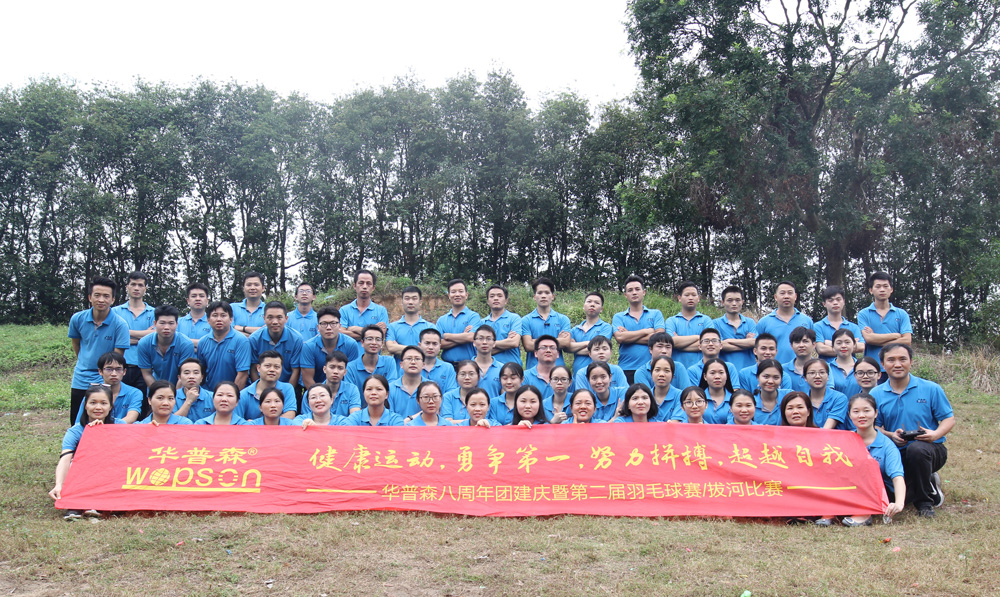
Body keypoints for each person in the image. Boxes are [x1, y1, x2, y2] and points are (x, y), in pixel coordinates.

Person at [871, 343, 954, 517]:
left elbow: (948, 419)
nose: (897, 364)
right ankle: (928, 481)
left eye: (903, 359)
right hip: (896, 452)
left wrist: (935, 434)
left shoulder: (931, 388)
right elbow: (874, 425)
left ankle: (924, 503)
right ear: (882, 364)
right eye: (891, 360)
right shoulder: (876, 393)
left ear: (911, 362)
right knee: (895, 496)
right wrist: (890, 435)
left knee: (917, 450)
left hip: (930, 449)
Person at [68, 276, 129, 424]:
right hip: (80, 377)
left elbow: (117, 358)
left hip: (104, 378)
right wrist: (84, 362)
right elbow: (76, 344)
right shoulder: (77, 319)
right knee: (77, 419)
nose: (101, 300)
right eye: (97, 295)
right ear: (90, 297)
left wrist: (105, 374)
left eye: (106, 296)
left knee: (102, 420)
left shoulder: (120, 325)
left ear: (113, 300)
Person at [50, 385, 118, 519]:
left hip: (111, 476)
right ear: (85, 405)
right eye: (93, 403)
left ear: (110, 407)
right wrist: (59, 484)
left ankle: (98, 504)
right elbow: (65, 458)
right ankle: (75, 505)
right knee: (73, 464)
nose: (98, 407)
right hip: (84, 475)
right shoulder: (75, 431)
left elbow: (140, 440)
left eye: (103, 403)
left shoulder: (120, 426)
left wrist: (152, 427)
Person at [842, 393, 906, 526]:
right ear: (849, 415)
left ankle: (863, 515)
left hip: (880, 491)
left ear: (876, 413)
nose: (861, 415)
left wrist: (899, 503)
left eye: (866, 411)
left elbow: (897, 476)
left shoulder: (887, 445)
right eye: (856, 411)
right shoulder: (844, 441)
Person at [613, 276, 665, 383]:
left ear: (644, 292)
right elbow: (619, 338)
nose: (634, 293)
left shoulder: (656, 314)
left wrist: (628, 335)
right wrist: (647, 331)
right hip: (626, 367)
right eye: (630, 290)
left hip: (652, 366)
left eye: (637, 289)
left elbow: (659, 339)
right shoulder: (619, 317)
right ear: (625, 295)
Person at [112, 271, 156, 395]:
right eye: (133, 284)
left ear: (145, 288)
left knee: (143, 405)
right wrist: (144, 335)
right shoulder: (115, 312)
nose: (136, 288)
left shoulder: (154, 313)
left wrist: (123, 335)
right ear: (127, 287)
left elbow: (155, 337)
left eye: (140, 285)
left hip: (145, 367)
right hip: (120, 366)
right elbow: (113, 336)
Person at [859, 272, 913, 369]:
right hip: (872, 367)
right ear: (871, 290)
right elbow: (868, 339)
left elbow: (907, 340)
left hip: (896, 366)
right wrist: (895, 335)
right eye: (878, 286)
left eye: (885, 286)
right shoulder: (864, 314)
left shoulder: (901, 314)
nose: (882, 290)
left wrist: (876, 338)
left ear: (891, 289)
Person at [754, 280, 814, 363]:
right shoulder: (764, 322)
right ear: (775, 297)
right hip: (773, 370)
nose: (786, 296)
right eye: (782, 293)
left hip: (801, 370)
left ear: (795, 296)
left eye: (790, 293)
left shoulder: (807, 321)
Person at [300, 306, 361, 387]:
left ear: (339, 326)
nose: (328, 328)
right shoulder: (309, 347)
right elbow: (307, 379)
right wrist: (321, 396)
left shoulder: (351, 344)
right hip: (316, 392)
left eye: (333, 323)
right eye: (324, 324)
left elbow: (351, 376)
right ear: (318, 327)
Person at [137, 305, 195, 388]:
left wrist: (173, 396)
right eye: (162, 323)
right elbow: (147, 374)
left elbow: (184, 376)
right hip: (155, 389)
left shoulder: (186, 344)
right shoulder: (144, 343)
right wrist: (158, 392)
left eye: (171, 323)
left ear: (176, 324)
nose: (166, 327)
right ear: (155, 324)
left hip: (179, 390)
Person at [75, 352, 142, 424]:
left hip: (123, 431)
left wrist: (108, 428)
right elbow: (79, 421)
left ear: (124, 371)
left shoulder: (134, 393)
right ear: (100, 371)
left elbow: (131, 418)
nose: (114, 374)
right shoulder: (92, 394)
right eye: (109, 369)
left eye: (118, 369)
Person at [197, 301, 250, 391]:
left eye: (223, 315)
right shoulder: (203, 342)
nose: (219, 319)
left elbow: (242, 374)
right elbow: (201, 372)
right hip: (210, 393)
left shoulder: (241, 340)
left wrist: (231, 396)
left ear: (231, 319)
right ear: (208, 320)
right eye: (215, 315)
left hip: (234, 395)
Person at [248, 301, 303, 387]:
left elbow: (295, 370)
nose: (275, 322)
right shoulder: (254, 339)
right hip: (262, 387)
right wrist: (260, 390)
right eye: (270, 317)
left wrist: (288, 391)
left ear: (286, 318)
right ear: (264, 318)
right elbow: (253, 368)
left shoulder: (296, 339)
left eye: (279, 317)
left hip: (288, 385)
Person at [521, 277, 571, 369]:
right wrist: (557, 340)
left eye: (547, 293)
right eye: (539, 293)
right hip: (533, 371)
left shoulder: (563, 319)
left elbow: (566, 343)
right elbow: (528, 346)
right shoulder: (526, 320)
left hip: (558, 371)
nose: (543, 296)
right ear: (534, 296)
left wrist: (534, 341)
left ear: (552, 296)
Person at [664, 281, 713, 370]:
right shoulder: (671, 321)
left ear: (698, 298)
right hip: (677, 369)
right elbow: (670, 343)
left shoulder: (706, 320)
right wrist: (699, 337)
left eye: (694, 295)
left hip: (702, 370)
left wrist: (680, 344)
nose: (690, 298)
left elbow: (709, 344)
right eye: (687, 295)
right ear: (679, 298)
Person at [234, 351, 296, 420]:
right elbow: (237, 420)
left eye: (277, 367)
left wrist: (257, 424)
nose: (272, 370)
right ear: (258, 368)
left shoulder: (287, 389)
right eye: (267, 366)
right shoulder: (244, 394)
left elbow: (290, 415)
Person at [300, 351, 362, 417]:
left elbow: (355, 418)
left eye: (340, 368)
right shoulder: (311, 393)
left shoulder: (352, 390)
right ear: (324, 369)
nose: (335, 372)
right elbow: (306, 419)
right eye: (332, 367)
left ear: (345, 372)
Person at [711, 286, 757, 372]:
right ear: (722, 302)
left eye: (737, 300)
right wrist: (745, 342)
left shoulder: (750, 322)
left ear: (742, 302)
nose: (734, 303)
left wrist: (727, 340)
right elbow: (718, 346)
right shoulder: (715, 323)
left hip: (748, 371)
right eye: (730, 300)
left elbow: (754, 342)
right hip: (724, 372)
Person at [568, 291, 614, 376]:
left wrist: (576, 347)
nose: (592, 305)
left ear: (601, 309)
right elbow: (568, 348)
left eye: (596, 303)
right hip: (578, 375)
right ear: (583, 306)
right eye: (589, 301)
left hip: (599, 375)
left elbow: (600, 349)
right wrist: (588, 343)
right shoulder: (575, 329)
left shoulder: (606, 327)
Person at [814, 285, 865, 361]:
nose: (835, 303)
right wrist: (849, 344)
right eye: (830, 300)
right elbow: (821, 349)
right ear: (824, 304)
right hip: (826, 370)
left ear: (843, 301)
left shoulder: (853, 327)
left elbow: (861, 347)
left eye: (838, 299)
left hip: (851, 370)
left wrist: (828, 343)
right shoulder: (817, 326)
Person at [437, 278, 481, 365]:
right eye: (453, 292)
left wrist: (447, 336)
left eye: (461, 291)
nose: (457, 294)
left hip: (469, 365)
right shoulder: (441, 320)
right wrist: (463, 336)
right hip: (447, 366)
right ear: (449, 295)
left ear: (466, 295)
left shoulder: (473, 316)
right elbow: (439, 344)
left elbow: (471, 337)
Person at [339, 269, 389, 341]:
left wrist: (353, 328)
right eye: (361, 283)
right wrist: (373, 331)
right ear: (354, 286)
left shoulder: (381, 310)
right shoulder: (344, 310)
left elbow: (381, 335)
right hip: (349, 352)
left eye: (368, 283)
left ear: (373, 288)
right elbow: (341, 334)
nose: (365, 286)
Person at [345, 325, 399, 390]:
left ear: (382, 344)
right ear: (362, 342)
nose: (374, 343)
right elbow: (350, 394)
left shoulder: (389, 362)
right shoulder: (351, 368)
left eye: (378, 339)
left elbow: (391, 389)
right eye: (369, 339)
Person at [385, 286, 434, 357]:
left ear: (420, 302)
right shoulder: (392, 327)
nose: (410, 302)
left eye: (414, 299)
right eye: (407, 299)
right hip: (399, 368)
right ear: (402, 302)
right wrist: (420, 349)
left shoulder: (430, 327)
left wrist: (398, 347)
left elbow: (430, 350)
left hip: (423, 368)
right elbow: (391, 347)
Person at [480, 285, 523, 365]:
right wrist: (507, 342)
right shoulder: (482, 323)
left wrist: (488, 344)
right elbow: (480, 351)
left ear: (506, 300)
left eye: (500, 296)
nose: (496, 298)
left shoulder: (514, 318)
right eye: (492, 296)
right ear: (488, 301)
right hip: (489, 368)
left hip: (512, 367)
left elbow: (514, 343)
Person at [802, 358, 849, 429]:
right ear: (805, 378)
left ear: (828, 376)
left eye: (822, 372)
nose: (817, 376)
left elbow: (827, 428)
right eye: (812, 373)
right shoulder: (802, 400)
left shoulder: (839, 398)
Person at [783, 326, 831, 393]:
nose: (801, 345)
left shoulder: (824, 366)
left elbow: (829, 392)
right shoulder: (783, 369)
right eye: (797, 342)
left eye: (805, 341)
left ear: (814, 345)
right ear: (791, 346)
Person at [173, 358, 215, 422]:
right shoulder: (172, 397)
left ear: (202, 377)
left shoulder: (212, 397)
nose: (191, 376)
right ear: (179, 378)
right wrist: (189, 401)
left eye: (196, 373)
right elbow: (171, 423)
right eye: (186, 373)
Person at [417, 328, 458, 393]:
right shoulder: (413, 366)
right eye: (427, 343)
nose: (431, 347)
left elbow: (451, 393)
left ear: (440, 346)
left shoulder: (448, 368)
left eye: (434, 344)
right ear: (420, 345)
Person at [389, 346, 425, 418]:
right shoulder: (390, 388)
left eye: (417, 359)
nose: (413, 362)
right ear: (401, 364)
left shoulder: (430, 388)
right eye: (409, 359)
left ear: (423, 365)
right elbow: (389, 417)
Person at [751, 359, 791, 425]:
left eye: (776, 377)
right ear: (758, 377)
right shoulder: (750, 402)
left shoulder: (788, 396)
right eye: (766, 377)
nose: (770, 381)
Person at [696, 357, 734, 424]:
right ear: (705, 376)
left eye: (721, 373)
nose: (717, 377)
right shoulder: (696, 399)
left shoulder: (734, 399)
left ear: (727, 376)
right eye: (712, 373)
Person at [523, 335, 561, 400]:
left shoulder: (565, 377)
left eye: (552, 348)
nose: (548, 350)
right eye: (543, 347)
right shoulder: (525, 377)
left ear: (557, 354)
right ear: (536, 353)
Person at [231, 271, 266, 337]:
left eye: (256, 285)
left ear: (263, 288)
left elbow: (269, 331)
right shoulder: (232, 308)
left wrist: (242, 328)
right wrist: (260, 330)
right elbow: (228, 331)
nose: (252, 288)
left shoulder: (269, 309)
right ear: (243, 288)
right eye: (249, 285)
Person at [178, 282, 211, 350]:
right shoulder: (177, 322)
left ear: (207, 301)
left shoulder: (214, 322)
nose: (198, 299)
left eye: (201, 296)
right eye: (193, 296)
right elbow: (174, 344)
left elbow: (213, 346)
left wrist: (185, 344)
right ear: (188, 301)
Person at [648, 356, 682, 422]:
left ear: (672, 375)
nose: (661, 374)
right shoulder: (645, 396)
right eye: (657, 370)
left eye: (667, 371)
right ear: (651, 374)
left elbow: (675, 423)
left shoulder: (680, 396)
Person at [471, 324, 502, 396]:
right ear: (474, 342)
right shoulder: (466, 368)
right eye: (480, 338)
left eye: (488, 339)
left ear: (494, 343)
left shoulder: (502, 369)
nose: (484, 342)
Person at [829, 328, 860, 393]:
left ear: (854, 344)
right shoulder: (827, 368)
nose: (843, 346)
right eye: (839, 343)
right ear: (833, 347)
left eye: (847, 342)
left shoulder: (862, 366)